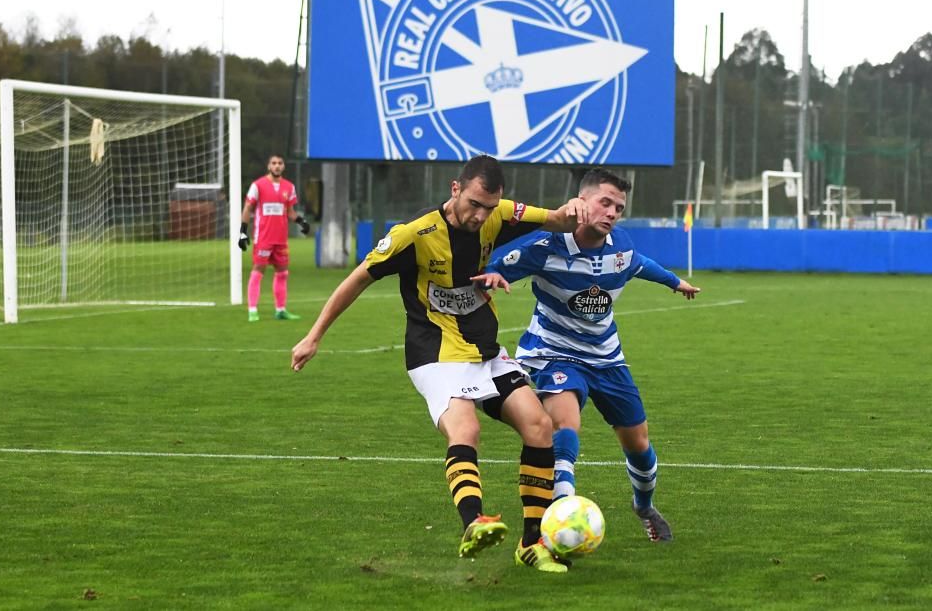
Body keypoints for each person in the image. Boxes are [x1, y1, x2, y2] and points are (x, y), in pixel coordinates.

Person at [291, 155, 587, 573]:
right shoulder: (414, 234)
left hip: (484, 350)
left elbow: (556, 219)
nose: (480, 215)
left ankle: (531, 543)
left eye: (489, 207)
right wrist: (314, 335)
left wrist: (574, 208)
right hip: (434, 353)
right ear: (455, 189)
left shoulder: (499, 213)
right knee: (466, 428)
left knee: (539, 426)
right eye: (474, 204)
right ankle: (474, 523)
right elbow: (357, 277)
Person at [475, 167, 700, 543]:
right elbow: (496, 264)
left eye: (619, 207)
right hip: (553, 353)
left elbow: (641, 264)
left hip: (607, 358)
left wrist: (676, 282)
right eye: (605, 203)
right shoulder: (545, 247)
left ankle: (643, 506)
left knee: (639, 444)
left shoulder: (621, 246)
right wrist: (494, 275)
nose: (612, 212)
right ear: (582, 202)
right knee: (565, 423)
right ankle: (559, 513)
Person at [238, 155, 311, 322]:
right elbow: (248, 208)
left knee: (283, 273)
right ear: (268, 166)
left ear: (283, 166)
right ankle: (252, 310)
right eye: (274, 163)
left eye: (280, 163)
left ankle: (280, 310)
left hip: (280, 239)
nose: (277, 166)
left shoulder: (289, 187)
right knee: (258, 271)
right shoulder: (258, 185)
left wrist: (301, 221)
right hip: (263, 237)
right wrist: (243, 231)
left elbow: (289, 211)